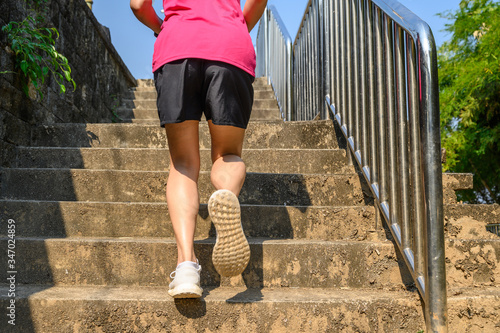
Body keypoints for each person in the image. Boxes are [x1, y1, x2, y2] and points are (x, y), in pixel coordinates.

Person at [130, 0, 268, 298]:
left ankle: (186, 269)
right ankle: (226, 194)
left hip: (177, 46)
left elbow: (138, 4)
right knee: (227, 155)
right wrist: (234, 25)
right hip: (230, 48)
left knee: (183, 164)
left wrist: (160, 26)